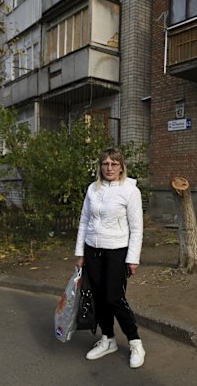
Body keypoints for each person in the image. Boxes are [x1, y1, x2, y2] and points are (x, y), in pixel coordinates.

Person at [74, 147, 145, 369]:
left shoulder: (130, 191)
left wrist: (133, 258)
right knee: (99, 296)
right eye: (105, 164)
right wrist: (80, 253)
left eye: (114, 164)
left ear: (122, 166)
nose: (109, 168)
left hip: (117, 251)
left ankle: (135, 342)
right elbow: (84, 221)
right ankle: (108, 339)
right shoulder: (92, 190)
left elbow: (137, 228)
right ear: (100, 167)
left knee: (114, 297)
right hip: (92, 250)